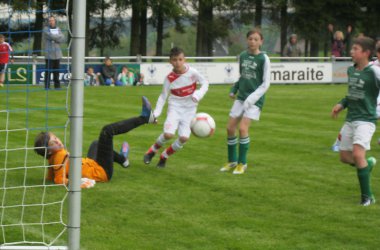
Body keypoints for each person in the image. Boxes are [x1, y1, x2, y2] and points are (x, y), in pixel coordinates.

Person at [34, 96, 155, 187]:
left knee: (96, 144)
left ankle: (123, 160)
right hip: (102, 172)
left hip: (92, 164)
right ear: (49, 152)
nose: (58, 142)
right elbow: (58, 180)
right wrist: (78, 182)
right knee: (107, 131)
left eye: (55, 138)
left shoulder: (53, 158)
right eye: (53, 143)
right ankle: (144, 118)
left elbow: (51, 177)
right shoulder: (59, 156)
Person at [331, 36, 380, 206]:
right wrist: (341, 104)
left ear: (366, 53)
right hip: (350, 118)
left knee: (358, 154)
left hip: (366, 120)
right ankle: (366, 165)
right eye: (352, 49)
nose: (351, 52)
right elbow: (351, 93)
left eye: (355, 49)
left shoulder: (374, 72)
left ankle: (367, 197)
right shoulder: (351, 70)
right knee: (344, 157)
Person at [143, 47, 209, 168]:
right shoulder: (169, 78)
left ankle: (164, 156)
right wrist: (156, 113)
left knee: (184, 138)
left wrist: (198, 94)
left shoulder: (193, 72)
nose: (177, 62)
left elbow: (205, 83)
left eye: (180, 59)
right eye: (174, 60)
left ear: (185, 60)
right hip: (175, 107)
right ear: (170, 61)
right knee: (168, 134)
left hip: (190, 109)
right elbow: (163, 96)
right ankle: (152, 151)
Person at [220, 28, 271, 175]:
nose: (253, 41)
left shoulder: (264, 59)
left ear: (261, 41)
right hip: (241, 98)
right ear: (247, 40)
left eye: (256, 39)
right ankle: (232, 161)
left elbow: (266, 84)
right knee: (230, 128)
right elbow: (242, 76)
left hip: (255, 100)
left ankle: (242, 163)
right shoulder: (242, 56)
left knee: (243, 129)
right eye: (250, 39)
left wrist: (252, 98)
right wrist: (234, 89)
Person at [43, 16, 65, 89]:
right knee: (48, 72)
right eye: (50, 21)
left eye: (52, 20)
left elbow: (62, 38)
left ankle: (57, 86)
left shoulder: (58, 29)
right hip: (49, 54)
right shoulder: (46, 29)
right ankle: (47, 86)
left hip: (57, 54)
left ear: (55, 21)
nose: (51, 22)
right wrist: (57, 37)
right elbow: (51, 36)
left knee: (57, 72)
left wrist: (56, 38)